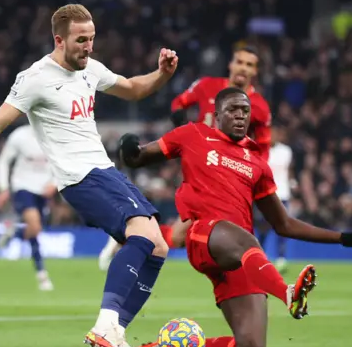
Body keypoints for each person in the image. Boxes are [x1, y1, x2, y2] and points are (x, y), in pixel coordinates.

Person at [0, 4, 179, 347]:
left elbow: (132, 89)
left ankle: (114, 334)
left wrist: (161, 74)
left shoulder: (90, 69)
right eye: (81, 40)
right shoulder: (35, 78)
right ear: (59, 40)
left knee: (158, 245)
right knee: (141, 235)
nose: (88, 47)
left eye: (92, 39)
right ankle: (105, 326)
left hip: (105, 171)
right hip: (80, 177)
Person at [118, 87, 352, 347]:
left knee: (251, 346)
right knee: (248, 239)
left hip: (241, 254)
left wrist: (343, 238)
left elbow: (284, 224)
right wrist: (129, 149)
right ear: (217, 114)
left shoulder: (258, 164)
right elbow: (138, 157)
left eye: (245, 111)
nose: (240, 116)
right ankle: (288, 294)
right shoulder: (193, 134)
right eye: (233, 110)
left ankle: (162, 345)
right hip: (204, 236)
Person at [98, 45, 271, 269]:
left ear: (255, 71)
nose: (243, 68)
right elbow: (179, 103)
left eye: (249, 65)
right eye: (240, 61)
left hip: (233, 174)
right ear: (231, 64)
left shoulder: (260, 107)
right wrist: (183, 126)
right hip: (202, 169)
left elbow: (263, 148)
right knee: (232, 236)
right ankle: (251, 280)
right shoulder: (206, 85)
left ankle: (129, 235)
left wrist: (257, 176)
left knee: (180, 237)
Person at [0, 124, 57, 291]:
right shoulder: (19, 136)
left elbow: (64, 163)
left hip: (44, 190)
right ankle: (42, 273)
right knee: (35, 226)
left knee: (35, 230)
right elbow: (4, 161)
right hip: (22, 187)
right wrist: (3, 188)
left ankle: (15, 233)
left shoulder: (56, 133)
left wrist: (55, 184)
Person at [260, 126, 293, 272]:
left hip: (282, 194)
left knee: (282, 227)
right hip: (266, 195)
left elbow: (288, 169)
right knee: (263, 227)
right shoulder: (261, 151)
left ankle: (281, 259)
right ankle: (259, 255)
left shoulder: (285, 151)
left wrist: (292, 182)